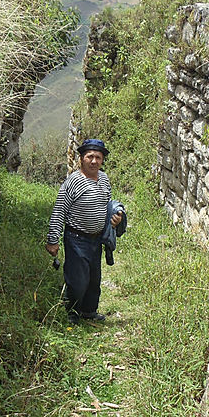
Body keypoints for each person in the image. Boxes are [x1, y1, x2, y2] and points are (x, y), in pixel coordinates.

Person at [46, 139, 125, 324]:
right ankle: (72, 313)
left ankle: (89, 311)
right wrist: (53, 239)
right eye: (90, 156)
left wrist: (115, 218)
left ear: (102, 160)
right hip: (76, 238)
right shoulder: (73, 182)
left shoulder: (104, 179)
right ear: (81, 158)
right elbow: (59, 210)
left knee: (94, 278)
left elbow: (107, 205)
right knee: (78, 279)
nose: (94, 161)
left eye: (98, 157)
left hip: (96, 240)